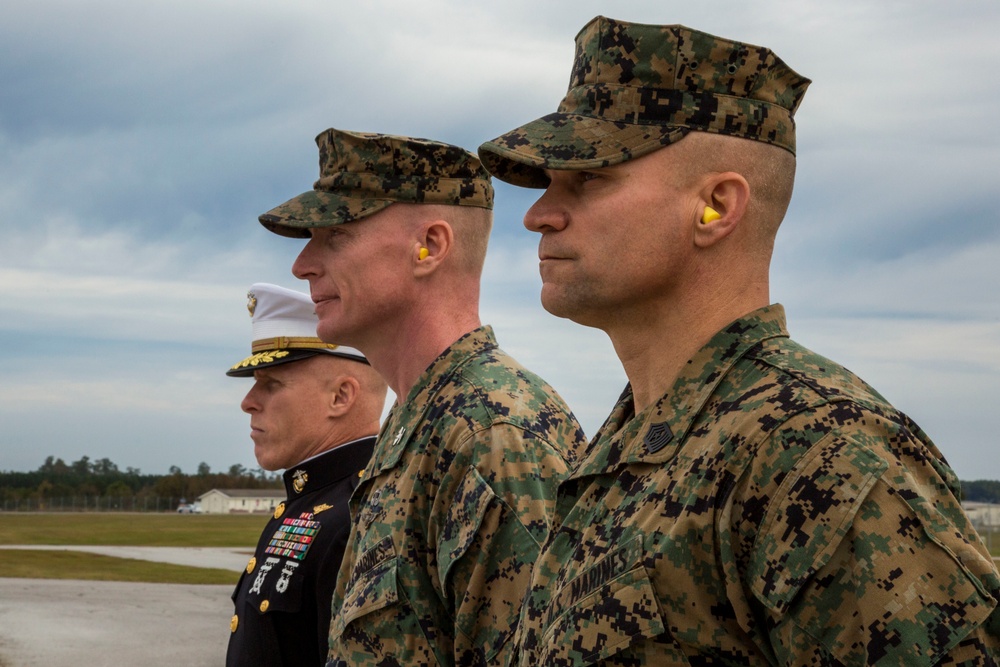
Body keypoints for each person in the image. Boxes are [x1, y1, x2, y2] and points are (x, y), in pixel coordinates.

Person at [478, 16, 1000, 666]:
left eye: (588, 178)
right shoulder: (625, 450)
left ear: (718, 207)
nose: (537, 214)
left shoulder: (819, 452)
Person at [258, 129, 588, 666]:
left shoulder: (492, 434)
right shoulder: (423, 421)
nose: (303, 264)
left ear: (429, 247)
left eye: (335, 236)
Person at [225, 282, 387, 667]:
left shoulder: (360, 519)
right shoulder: (314, 506)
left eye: (271, 384)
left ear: (341, 397)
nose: (248, 402)